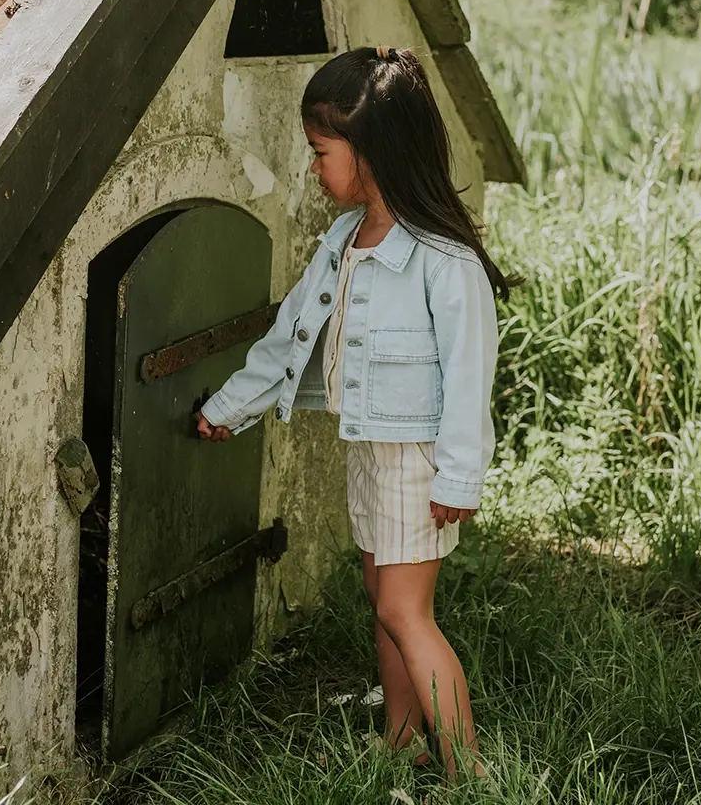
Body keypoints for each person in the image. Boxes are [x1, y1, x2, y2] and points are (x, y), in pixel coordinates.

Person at [194, 46, 513, 782]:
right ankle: (401, 743)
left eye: (320, 152)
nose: (314, 168)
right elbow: (290, 337)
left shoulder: (443, 258)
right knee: (381, 599)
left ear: (370, 153)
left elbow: (471, 375)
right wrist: (231, 407)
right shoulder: (344, 239)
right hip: (370, 446)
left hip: (417, 459)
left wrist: (459, 477)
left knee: (406, 611)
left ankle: (469, 773)